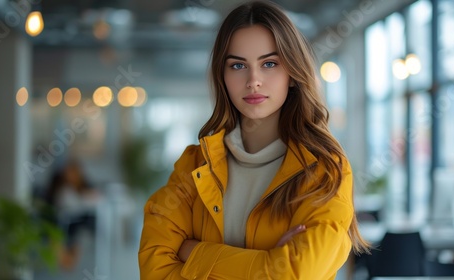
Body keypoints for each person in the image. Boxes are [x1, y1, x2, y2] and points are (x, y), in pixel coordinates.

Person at [139, 1, 370, 279]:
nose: (253, 80)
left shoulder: (324, 169)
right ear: (222, 76)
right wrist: (268, 262)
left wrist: (194, 252)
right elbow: (155, 271)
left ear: (293, 75)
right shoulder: (194, 166)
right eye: (238, 65)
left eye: (269, 63)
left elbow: (294, 273)